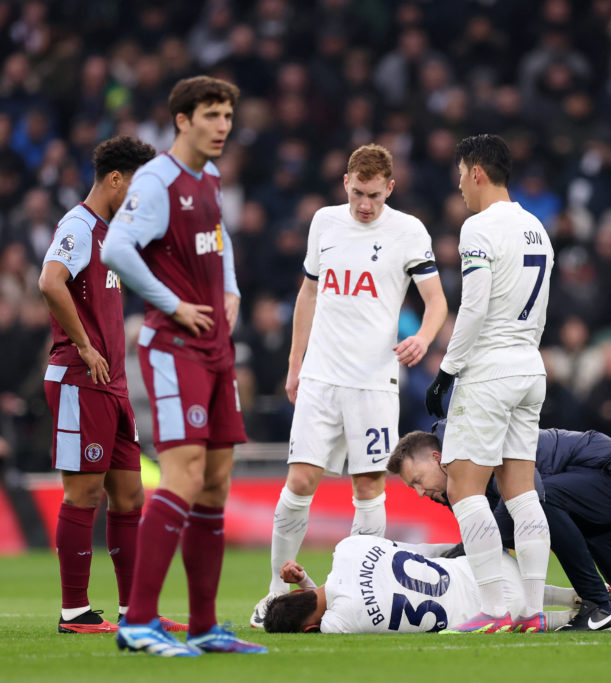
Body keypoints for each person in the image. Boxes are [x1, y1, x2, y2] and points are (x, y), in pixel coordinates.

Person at [249, 144, 447, 628]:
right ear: (345, 184)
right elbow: (309, 292)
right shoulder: (324, 222)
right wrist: (295, 363)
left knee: (369, 485)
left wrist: (422, 337)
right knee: (299, 482)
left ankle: (360, 588)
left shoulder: (408, 231)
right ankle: (276, 592)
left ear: (390, 189)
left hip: (374, 382)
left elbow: (436, 299)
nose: (365, 205)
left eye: (375, 196)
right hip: (320, 376)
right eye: (358, 193)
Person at [101, 76, 265, 657]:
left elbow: (217, 243)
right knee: (184, 474)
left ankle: (202, 627)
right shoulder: (158, 179)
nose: (222, 126)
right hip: (174, 346)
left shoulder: (211, 178)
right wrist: (171, 303)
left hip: (217, 348)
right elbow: (116, 250)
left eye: (227, 115)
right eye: (212, 115)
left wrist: (233, 288)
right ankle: (138, 623)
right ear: (182, 120)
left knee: (216, 484)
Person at [423, 134, 554, 633]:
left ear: (477, 172)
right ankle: (533, 610)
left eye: (460, 174)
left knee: (463, 486)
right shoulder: (536, 227)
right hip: (528, 364)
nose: (458, 185)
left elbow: (474, 307)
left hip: (491, 369)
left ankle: (495, 610)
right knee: (521, 493)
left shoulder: (478, 228)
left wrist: (448, 370)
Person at [38, 136, 166, 635]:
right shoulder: (78, 225)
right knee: (84, 493)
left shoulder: (110, 234)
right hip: (79, 377)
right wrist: (87, 346)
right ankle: (74, 612)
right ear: (115, 180)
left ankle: (137, 611)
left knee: (130, 495)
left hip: (110, 383)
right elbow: (50, 282)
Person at [388, 423, 611, 631]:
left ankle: (598, 606)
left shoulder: (471, 448)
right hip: (600, 509)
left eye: (418, 480)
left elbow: (506, 519)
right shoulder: (455, 485)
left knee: (530, 500)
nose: (420, 492)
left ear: (437, 458)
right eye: (413, 487)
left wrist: (457, 554)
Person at [260, 535, 581, 634]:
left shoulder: (336, 626)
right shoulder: (347, 548)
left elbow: (334, 608)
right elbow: (334, 591)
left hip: (492, 615)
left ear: (307, 630)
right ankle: (571, 596)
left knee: (475, 612)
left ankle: (567, 621)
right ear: (300, 592)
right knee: (450, 562)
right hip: (491, 565)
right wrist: (304, 580)